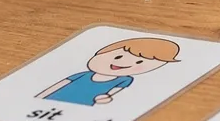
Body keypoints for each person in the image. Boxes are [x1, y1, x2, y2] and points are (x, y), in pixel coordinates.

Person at [36, 38, 181, 106]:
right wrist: (41, 96)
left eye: (139, 62)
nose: (124, 63)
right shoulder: (82, 75)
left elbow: (113, 93)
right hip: (54, 99)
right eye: (118, 56)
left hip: (85, 104)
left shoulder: (124, 80)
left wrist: (105, 98)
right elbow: (57, 86)